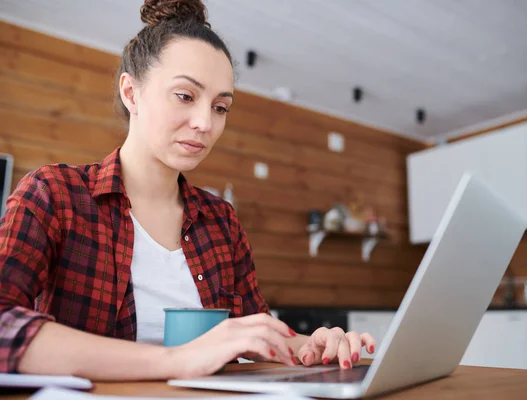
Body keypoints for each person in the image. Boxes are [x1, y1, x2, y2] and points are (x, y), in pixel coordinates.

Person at [0, 0, 376, 380]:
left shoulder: (221, 221)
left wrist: (309, 345)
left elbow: (254, 330)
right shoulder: (53, 194)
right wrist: (178, 360)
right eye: (185, 96)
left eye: (220, 107)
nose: (205, 123)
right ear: (132, 93)